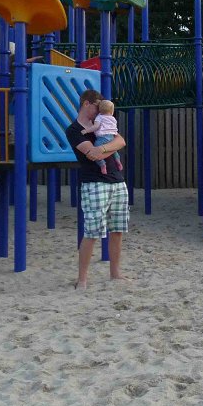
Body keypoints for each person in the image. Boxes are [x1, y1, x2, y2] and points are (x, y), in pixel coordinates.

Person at [65, 90, 128, 290]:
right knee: (92, 232)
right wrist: (108, 148)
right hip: (94, 183)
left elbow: (121, 141)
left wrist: (102, 148)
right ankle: (82, 279)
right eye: (97, 105)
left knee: (117, 230)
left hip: (117, 181)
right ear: (86, 103)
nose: (100, 109)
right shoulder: (75, 130)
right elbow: (91, 154)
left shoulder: (103, 121)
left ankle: (115, 273)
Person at [80, 99, 123, 175]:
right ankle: (118, 161)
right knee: (114, 151)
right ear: (112, 111)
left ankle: (102, 164)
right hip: (111, 137)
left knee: (95, 151)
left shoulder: (99, 117)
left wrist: (86, 131)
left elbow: (95, 127)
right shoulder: (112, 118)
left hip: (102, 138)